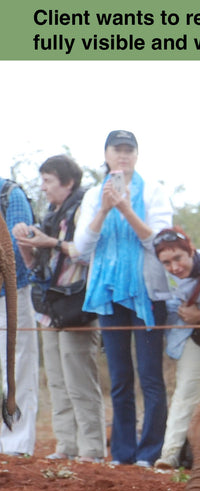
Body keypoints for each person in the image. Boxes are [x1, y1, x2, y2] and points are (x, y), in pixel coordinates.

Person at [75, 129, 173, 467]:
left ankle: (151, 452)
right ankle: (123, 453)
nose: (123, 156)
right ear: (106, 155)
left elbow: (159, 244)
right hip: (108, 293)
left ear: (136, 155)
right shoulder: (91, 196)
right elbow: (81, 249)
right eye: (117, 150)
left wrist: (127, 209)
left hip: (148, 294)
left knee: (150, 377)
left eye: (129, 150)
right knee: (119, 378)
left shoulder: (155, 192)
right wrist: (103, 210)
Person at [13, 153, 104, 463]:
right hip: (49, 306)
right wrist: (28, 247)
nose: (43, 187)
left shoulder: (83, 209)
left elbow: (83, 253)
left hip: (76, 302)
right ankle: (66, 445)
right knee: (56, 380)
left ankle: (92, 448)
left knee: (80, 379)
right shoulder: (51, 213)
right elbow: (39, 266)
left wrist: (48, 242)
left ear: (68, 182)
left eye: (48, 181)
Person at [151, 227, 200, 471]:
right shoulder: (164, 278)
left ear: (191, 250)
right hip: (193, 336)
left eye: (178, 258)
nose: (174, 267)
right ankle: (170, 455)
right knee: (186, 392)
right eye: (166, 262)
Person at [2, 175, 40, 456]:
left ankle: (16, 444)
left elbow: (16, 248)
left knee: (18, 367)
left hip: (12, 294)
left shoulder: (9, 193)